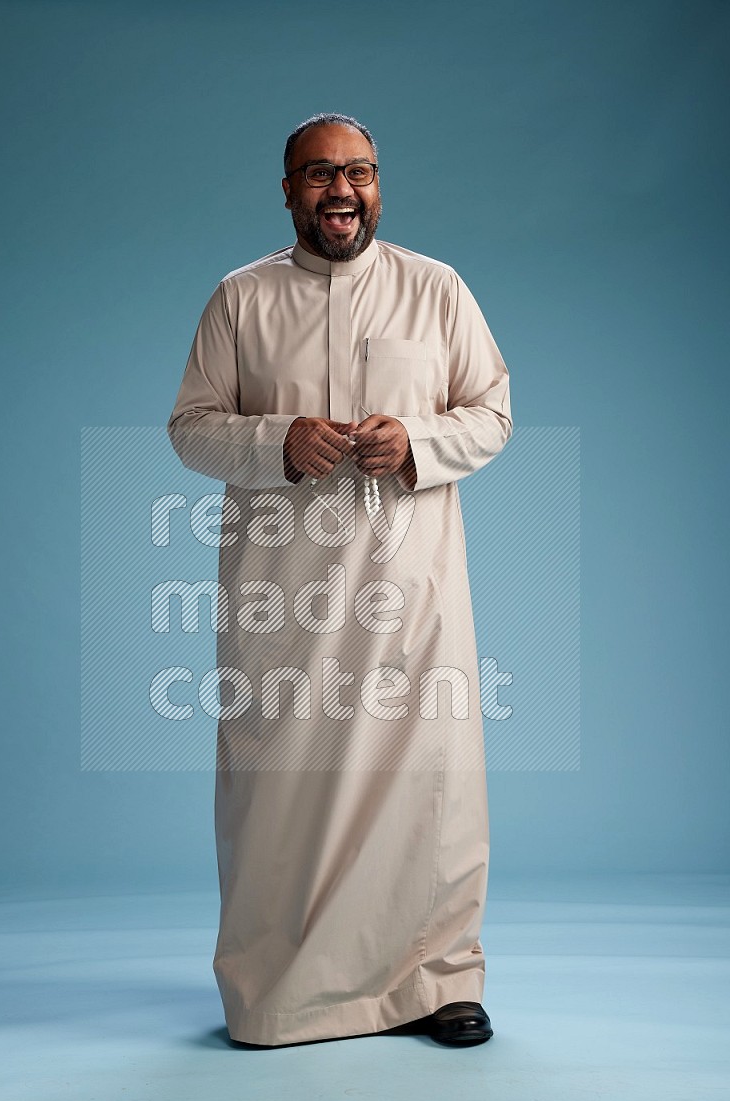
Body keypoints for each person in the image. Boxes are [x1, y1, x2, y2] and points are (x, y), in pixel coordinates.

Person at [167, 112, 512, 1048]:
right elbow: (190, 427)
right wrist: (275, 440)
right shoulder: (240, 299)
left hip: (412, 599)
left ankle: (440, 978)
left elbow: (492, 412)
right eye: (319, 175)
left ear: (378, 185)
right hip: (288, 603)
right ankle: (278, 986)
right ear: (287, 192)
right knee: (281, 790)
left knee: (430, 786)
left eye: (358, 172)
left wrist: (420, 441)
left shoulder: (435, 289)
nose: (341, 191)